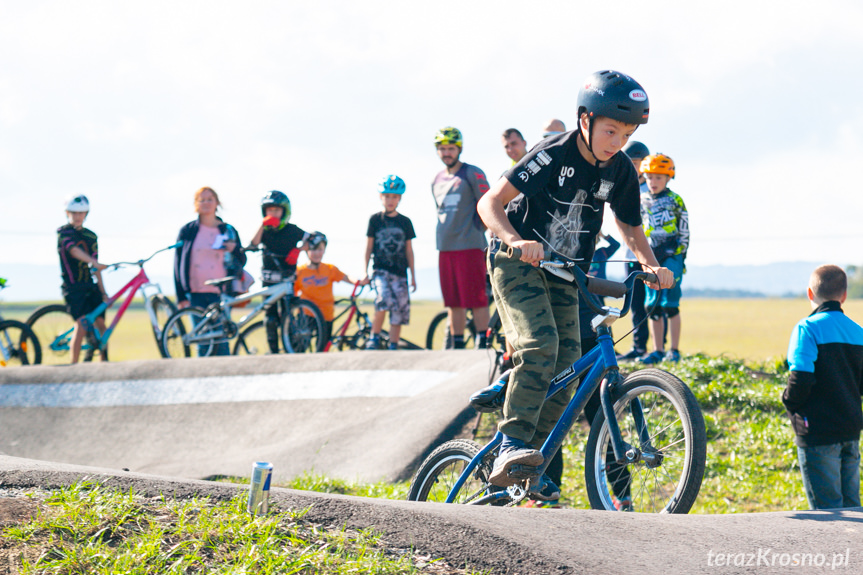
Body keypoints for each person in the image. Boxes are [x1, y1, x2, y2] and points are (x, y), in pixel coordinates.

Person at [476, 70, 674, 500]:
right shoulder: (553, 153)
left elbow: (631, 229)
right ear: (584, 120)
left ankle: (530, 459)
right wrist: (514, 240)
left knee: (567, 369)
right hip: (517, 264)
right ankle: (511, 441)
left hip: (567, 276)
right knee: (541, 348)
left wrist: (652, 265)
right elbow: (489, 202)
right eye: (610, 130)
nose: (617, 142)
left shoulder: (620, 170)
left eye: (626, 134)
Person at [783, 264, 863, 510]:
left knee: (829, 515)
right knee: (852, 510)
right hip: (851, 430)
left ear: (810, 293)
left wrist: (789, 401)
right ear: (844, 296)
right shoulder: (858, 333)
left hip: (817, 432)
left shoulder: (807, 329)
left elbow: (801, 379)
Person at [432, 126, 491, 349]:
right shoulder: (435, 179)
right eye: (442, 148)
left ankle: (482, 343)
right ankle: (457, 347)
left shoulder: (472, 173)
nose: (446, 153)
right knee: (453, 301)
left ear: (459, 149)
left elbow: (488, 204)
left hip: (470, 246)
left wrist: (480, 230)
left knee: (476, 299)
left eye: (450, 148)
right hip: (445, 248)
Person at [173, 187, 246, 356]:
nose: (206, 203)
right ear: (196, 205)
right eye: (202, 200)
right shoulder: (188, 231)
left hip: (221, 293)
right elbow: (178, 263)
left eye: (210, 199)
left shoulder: (228, 230)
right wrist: (181, 296)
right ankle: (202, 377)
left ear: (217, 203)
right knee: (203, 340)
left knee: (222, 338)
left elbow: (242, 260)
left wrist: (234, 249)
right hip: (195, 293)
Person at [637, 153, 689, 364]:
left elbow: (684, 228)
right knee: (652, 305)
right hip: (651, 257)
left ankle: (674, 350)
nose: (653, 182)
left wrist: (681, 254)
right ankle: (657, 350)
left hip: (672, 255)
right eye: (649, 177)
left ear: (668, 178)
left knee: (671, 303)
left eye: (658, 177)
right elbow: (637, 229)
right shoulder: (641, 200)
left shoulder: (675, 200)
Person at [248, 190, 310, 354]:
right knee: (270, 319)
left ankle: (292, 351)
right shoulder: (265, 232)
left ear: (285, 211)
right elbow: (253, 244)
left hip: (287, 283)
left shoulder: (292, 230)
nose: (272, 213)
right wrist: (263, 224)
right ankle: (274, 352)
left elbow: (314, 240)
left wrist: (299, 249)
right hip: (268, 284)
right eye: (269, 210)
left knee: (288, 318)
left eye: (276, 210)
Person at [363, 175, 417, 350]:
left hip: (400, 271)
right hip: (381, 270)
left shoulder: (405, 222)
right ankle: (374, 337)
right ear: (381, 197)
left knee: (399, 309)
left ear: (400, 198)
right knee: (383, 300)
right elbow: (368, 247)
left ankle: (393, 343)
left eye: (394, 196)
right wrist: (365, 271)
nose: (390, 200)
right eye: (387, 196)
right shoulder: (375, 220)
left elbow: (409, 250)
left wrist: (413, 276)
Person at [57, 195, 108, 364]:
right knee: (82, 325)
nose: (78, 217)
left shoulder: (91, 236)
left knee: (102, 325)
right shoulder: (64, 233)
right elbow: (73, 251)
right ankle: (74, 367)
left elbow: (96, 269)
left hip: (90, 285)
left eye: (81, 213)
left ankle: (104, 364)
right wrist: (93, 262)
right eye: (74, 213)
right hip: (73, 287)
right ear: (67, 213)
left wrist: (103, 292)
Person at [617, 140, 652, 361]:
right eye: (631, 162)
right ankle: (638, 347)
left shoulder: (653, 188)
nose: (635, 167)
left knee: (654, 304)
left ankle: (658, 348)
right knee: (635, 303)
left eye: (638, 163)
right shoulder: (623, 186)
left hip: (649, 254)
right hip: (628, 255)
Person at [294, 232, 360, 344]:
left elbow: (346, 277)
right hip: (307, 314)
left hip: (326, 315)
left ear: (324, 250)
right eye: (313, 249)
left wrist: (358, 281)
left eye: (320, 249)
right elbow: (293, 294)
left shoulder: (330, 269)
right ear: (307, 251)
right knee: (299, 345)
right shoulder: (300, 271)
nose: (316, 253)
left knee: (323, 347)